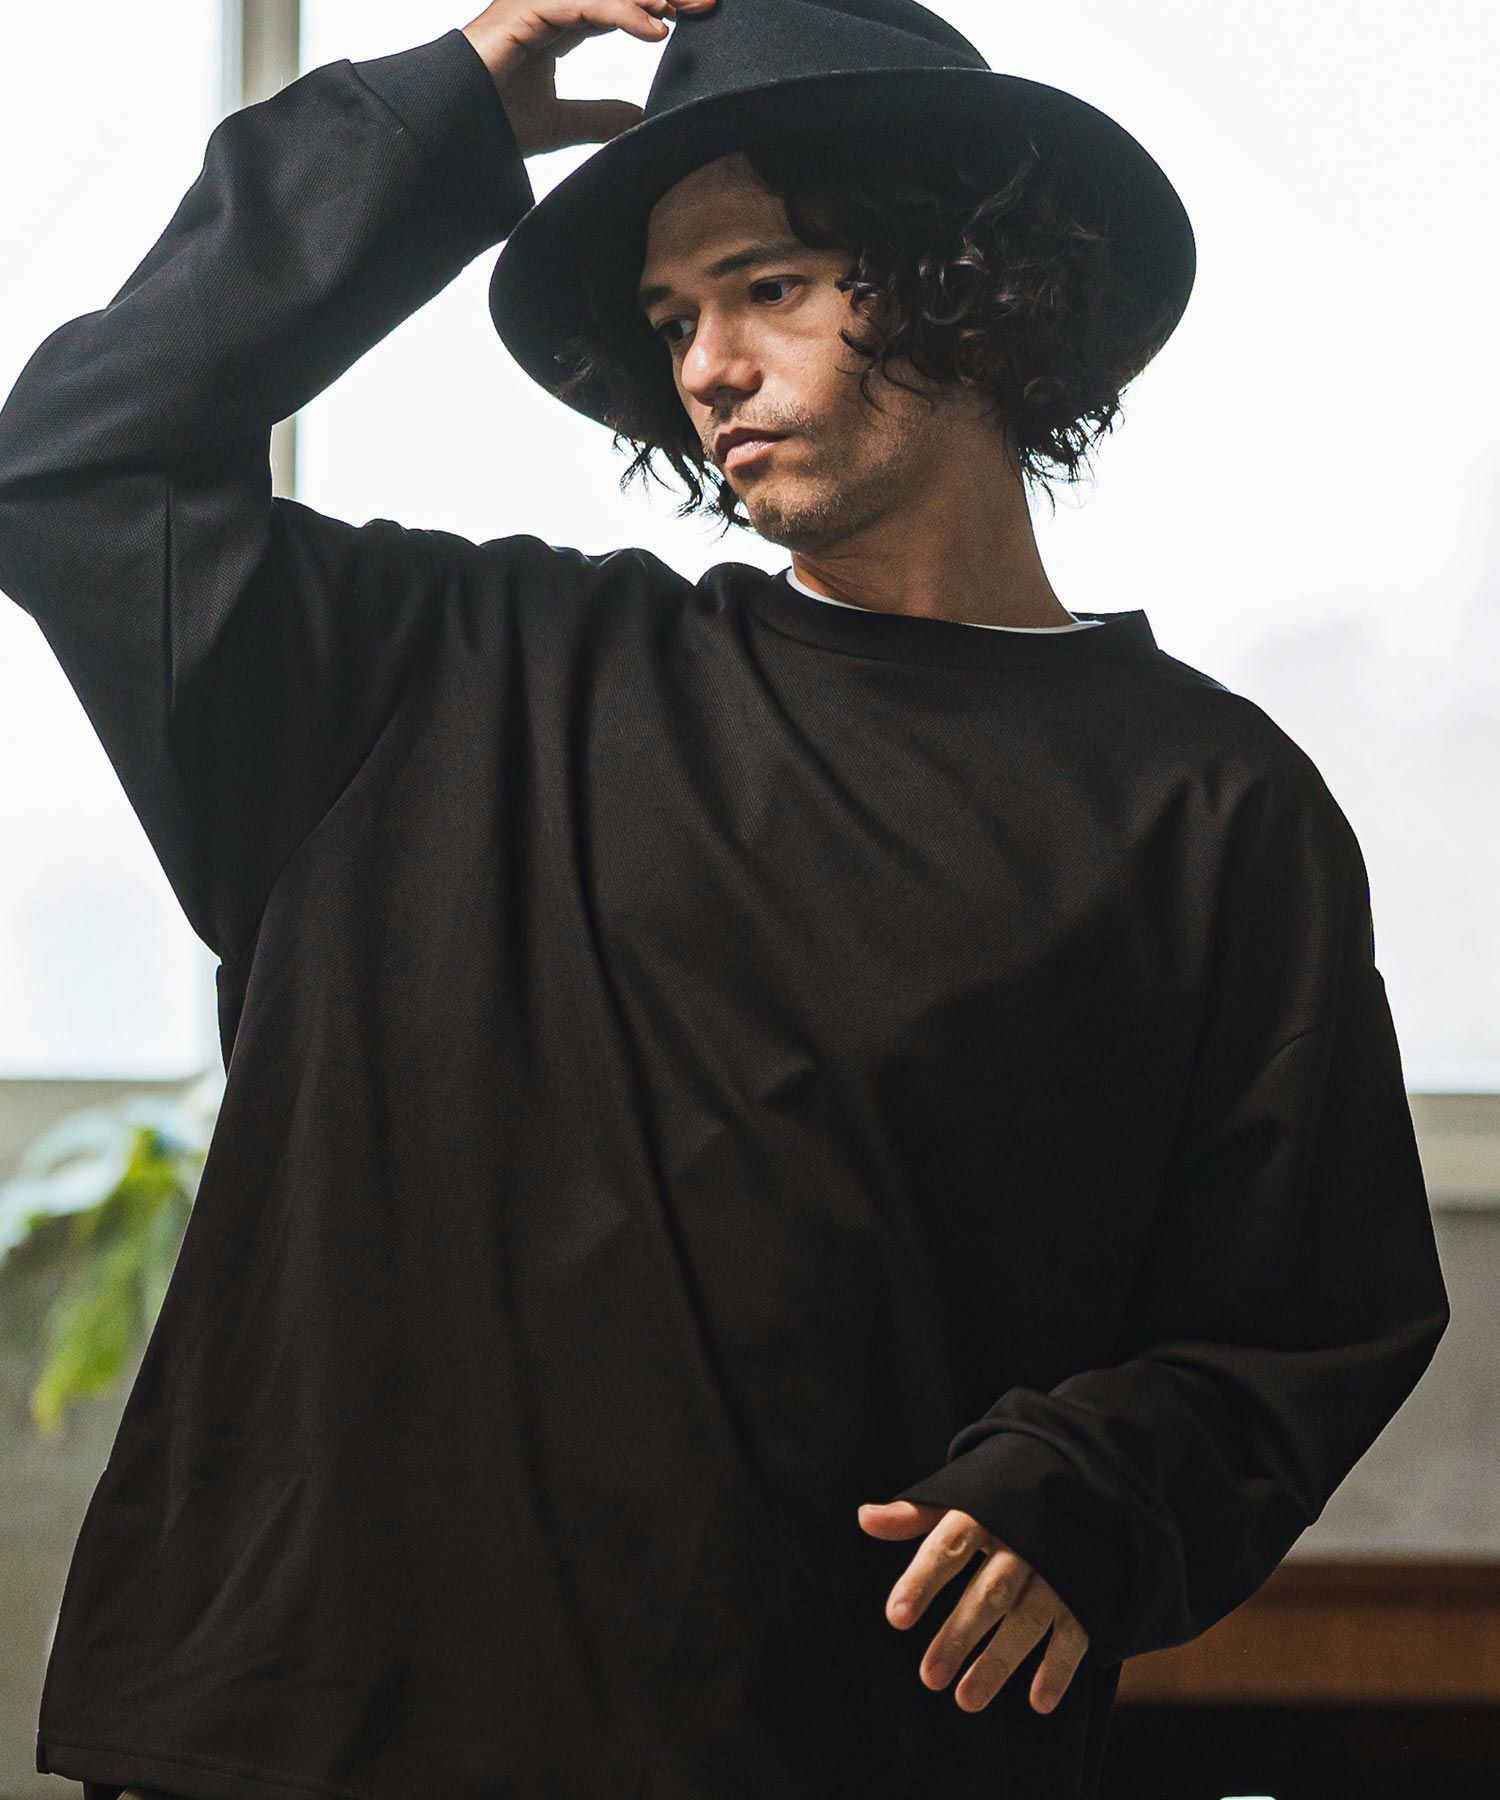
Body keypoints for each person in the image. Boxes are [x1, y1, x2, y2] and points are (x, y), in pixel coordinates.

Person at [0, 3, 1449, 1799]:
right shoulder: (437, 683)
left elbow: (1307, 1303)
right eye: (674, 317)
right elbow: (78, 461)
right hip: (304, 1742)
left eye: (768, 286)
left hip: (829, 1743)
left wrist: (1094, 1492)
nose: (706, 365)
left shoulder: (1208, 804)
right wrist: (438, 118)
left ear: (970, 280)